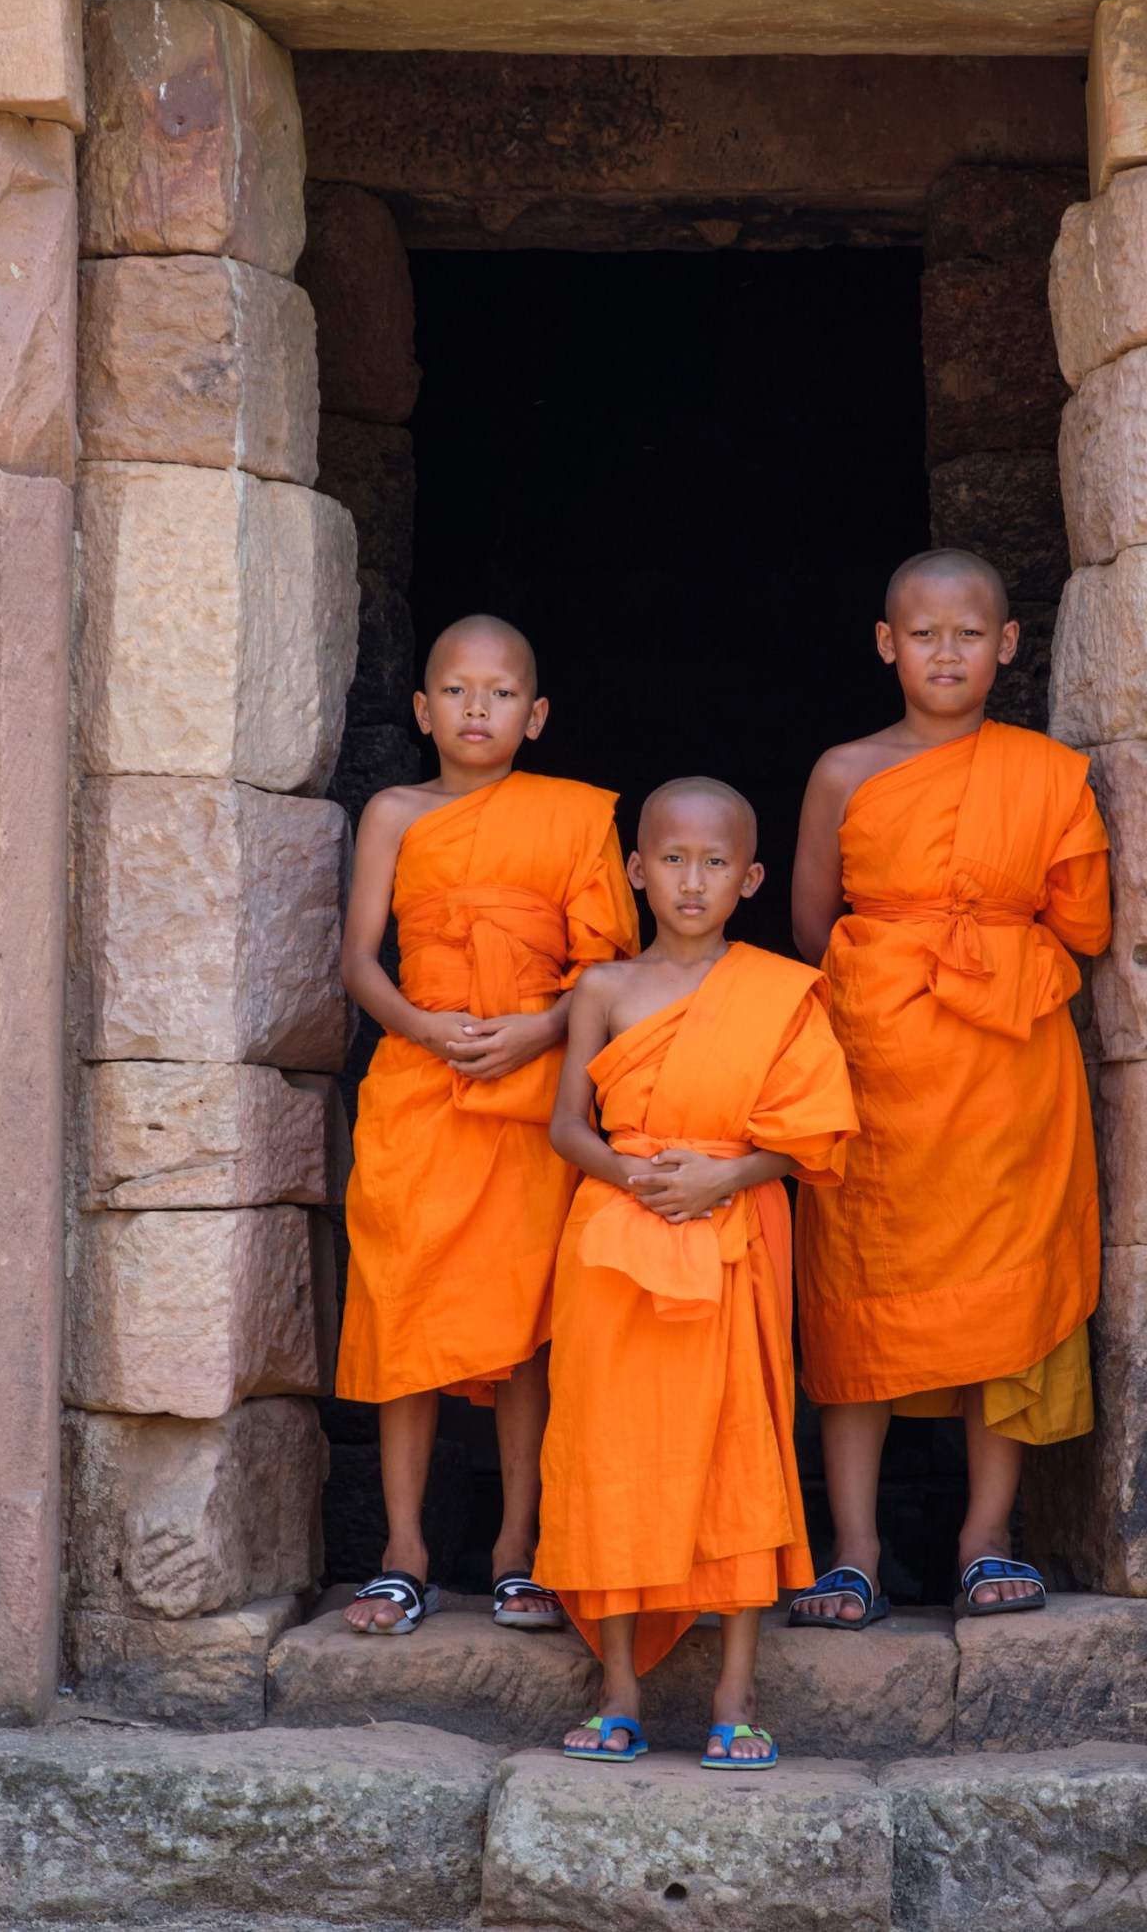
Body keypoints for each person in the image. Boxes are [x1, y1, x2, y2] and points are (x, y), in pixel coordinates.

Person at [789, 549, 1111, 1627]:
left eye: (969, 633)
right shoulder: (843, 769)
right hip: (876, 1071)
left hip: (1011, 1079)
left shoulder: (1047, 773)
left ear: (1007, 646)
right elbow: (810, 927)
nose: (946, 652)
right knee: (858, 1301)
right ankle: (856, 1549)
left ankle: (986, 1536)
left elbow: (1083, 923)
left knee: (1005, 1297)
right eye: (923, 634)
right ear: (887, 645)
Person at [534, 777, 858, 1766]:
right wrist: (638, 1176)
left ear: (750, 878)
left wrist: (722, 1175)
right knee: (610, 1450)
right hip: (617, 1238)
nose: (691, 879)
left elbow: (810, 1136)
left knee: (739, 1450)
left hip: (733, 1233)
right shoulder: (602, 988)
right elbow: (563, 1127)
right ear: (636, 868)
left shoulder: (779, 992)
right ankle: (619, 1687)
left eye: (716, 863)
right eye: (671, 858)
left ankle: (734, 1693)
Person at [335, 614, 639, 1636]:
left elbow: (610, 968)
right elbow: (359, 962)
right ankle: (404, 1550)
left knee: (525, 1326)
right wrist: (420, 1025)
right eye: (457, 692)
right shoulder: (392, 813)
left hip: (531, 1094)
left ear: (536, 715)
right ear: (422, 711)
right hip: (418, 1092)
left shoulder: (573, 817)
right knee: (406, 1311)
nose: (477, 708)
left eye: (501, 693)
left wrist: (541, 1030)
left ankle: (520, 1545)